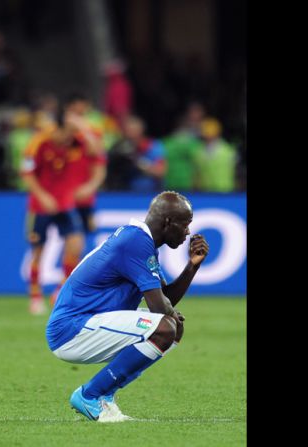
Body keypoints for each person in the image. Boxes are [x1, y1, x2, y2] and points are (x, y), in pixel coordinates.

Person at [46, 191, 209, 422]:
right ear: (168, 222)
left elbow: (165, 299)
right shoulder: (135, 242)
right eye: (185, 224)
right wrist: (169, 315)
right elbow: (160, 309)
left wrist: (192, 266)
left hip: (87, 323)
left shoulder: (142, 241)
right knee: (164, 327)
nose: (188, 232)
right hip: (71, 329)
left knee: (172, 328)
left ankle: (105, 396)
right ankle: (90, 395)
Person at [21, 110, 100, 316]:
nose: (67, 138)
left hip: (65, 204)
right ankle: (35, 296)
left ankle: (60, 291)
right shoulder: (39, 142)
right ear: (55, 129)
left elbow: (96, 152)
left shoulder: (74, 142)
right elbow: (27, 174)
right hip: (40, 206)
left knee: (76, 245)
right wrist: (42, 196)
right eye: (65, 133)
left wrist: (82, 126)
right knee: (38, 251)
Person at [106, 116, 166, 192]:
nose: (128, 133)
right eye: (126, 130)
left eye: (131, 130)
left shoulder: (153, 146)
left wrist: (138, 162)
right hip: (126, 194)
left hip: (150, 194)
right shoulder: (118, 147)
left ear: (140, 130)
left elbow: (160, 172)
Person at [194, 118, 237, 192]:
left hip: (226, 192)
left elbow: (236, 172)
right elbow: (197, 174)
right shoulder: (198, 151)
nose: (208, 137)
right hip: (205, 192)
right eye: (206, 134)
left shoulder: (228, 150)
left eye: (210, 134)